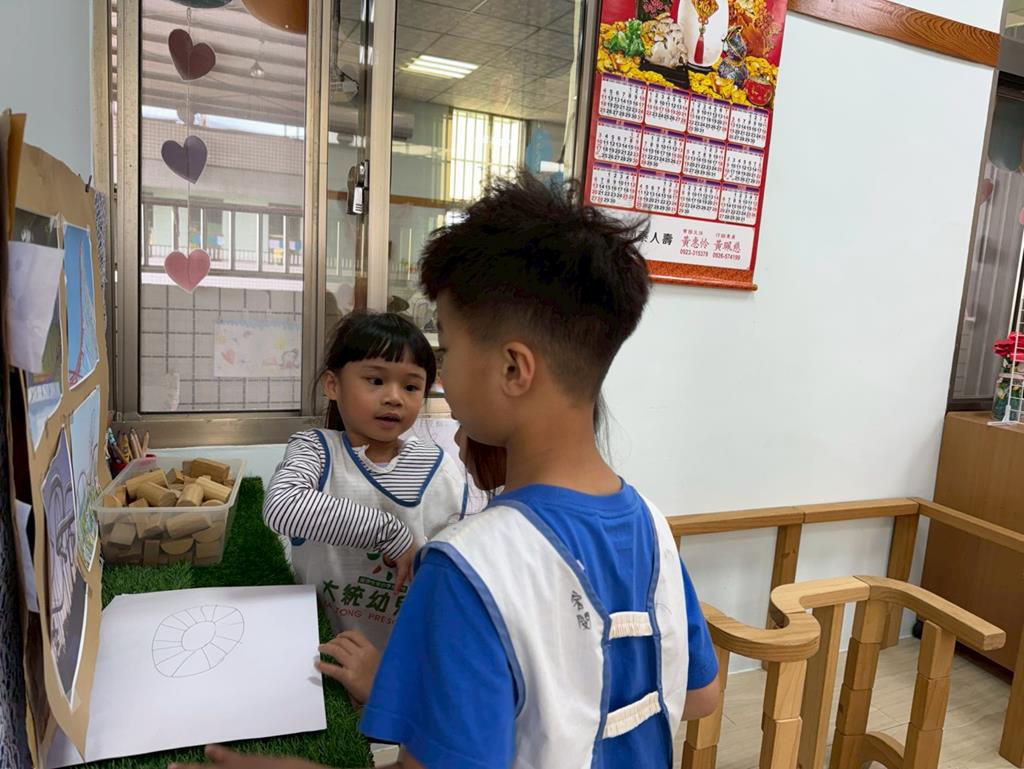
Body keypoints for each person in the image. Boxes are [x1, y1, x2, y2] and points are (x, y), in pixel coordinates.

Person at [176, 174, 720, 769]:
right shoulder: (653, 526)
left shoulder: (468, 564)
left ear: (513, 370)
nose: (436, 381)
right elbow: (699, 694)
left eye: (447, 352)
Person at [262, 311, 467, 650]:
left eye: (411, 386)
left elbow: (452, 569)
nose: (394, 397)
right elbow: (283, 506)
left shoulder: (437, 468)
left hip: (399, 655)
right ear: (333, 385)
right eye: (375, 380)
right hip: (319, 648)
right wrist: (391, 533)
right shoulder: (316, 449)